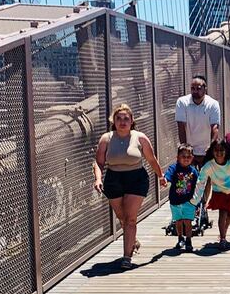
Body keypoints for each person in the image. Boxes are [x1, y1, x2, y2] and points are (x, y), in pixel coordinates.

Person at [93, 103, 164, 270]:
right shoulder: (106, 138)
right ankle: (132, 240)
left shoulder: (140, 138)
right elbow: (99, 162)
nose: (122, 122)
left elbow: (151, 159)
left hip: (136, 178)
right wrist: (98, 179)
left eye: (126, 118)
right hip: (114, 179)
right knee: (122, 218)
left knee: (130, 218)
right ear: (113, 121)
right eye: (119, 119)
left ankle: (127, 257)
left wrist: (161, 176)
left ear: (132, 121)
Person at [192, 139, 230, 251]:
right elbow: (201, 181)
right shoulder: (209, 165)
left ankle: (225, 229)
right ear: (212, 152)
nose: (219, 153)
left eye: (221, 150)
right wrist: (196, 198)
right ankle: (223, 239)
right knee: (222, 213)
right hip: (218, 191)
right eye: (216, 150)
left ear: (226, 151)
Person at [175, 75, 221, 169]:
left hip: (206, 150)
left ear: (205, 89)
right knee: (187, 180)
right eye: (193, 88)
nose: (195, 91)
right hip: (189, 150)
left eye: (198, 88)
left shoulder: (213, 104)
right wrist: (184, 147)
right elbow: (181, 126)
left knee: (207, 178)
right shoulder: (182, 102)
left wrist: (211, 147)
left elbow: (215, 128)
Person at [162, 143, 200, 252]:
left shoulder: (193, 171)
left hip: (189, 201)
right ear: (178, 158)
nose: (186, 159)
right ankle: (180, 238)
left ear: (192, 158)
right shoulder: (174, 168)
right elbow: (168, 175)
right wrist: (165, 180)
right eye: (183, 156)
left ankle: (188, 240)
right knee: (178, 221)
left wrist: (198, 199)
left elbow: (199, 184)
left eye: (189, 157)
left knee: (188, 221)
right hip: (175, 200)